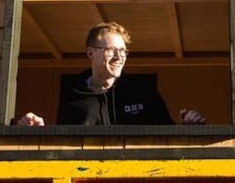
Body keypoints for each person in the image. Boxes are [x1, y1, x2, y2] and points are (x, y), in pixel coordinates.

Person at [16, 22, 206, 126]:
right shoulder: (72, 95)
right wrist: (39, 132)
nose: (119, 57)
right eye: (111, 50)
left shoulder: (142, 91)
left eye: (123, 51)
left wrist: (188, 127)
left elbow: (166, 135)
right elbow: (63, 146)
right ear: (91, 53)